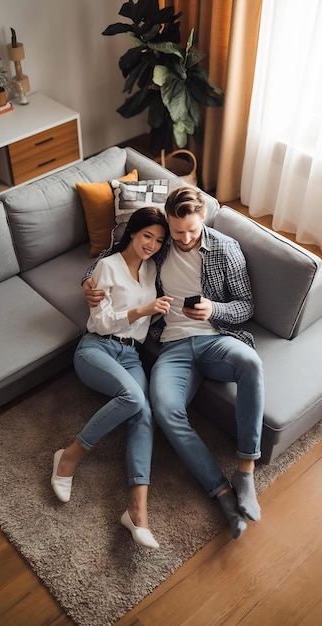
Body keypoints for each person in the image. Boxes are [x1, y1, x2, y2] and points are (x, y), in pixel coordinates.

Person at [82, 187, 264, 541]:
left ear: (203, 219)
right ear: (168, 220)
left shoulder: (226, 249)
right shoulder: (161, 242)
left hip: (216, 338)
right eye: (177, 230)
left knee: (251, 364)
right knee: (164, 410)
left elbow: (246, 306)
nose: (184, 238)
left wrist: (215, 309)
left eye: (192, 230)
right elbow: (112, 256)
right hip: (173, 346)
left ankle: (245, 470)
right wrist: (87, 282)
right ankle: (220, 492)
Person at [51, 206, 172, 549]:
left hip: (130, 354)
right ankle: (69, 456)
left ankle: (137, 512)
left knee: (144, 414)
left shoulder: (151, 271)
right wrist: (143, 310)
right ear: (132, 232)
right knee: (133, 398)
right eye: (147, 235)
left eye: (158, 240)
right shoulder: (107, 266)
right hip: (97, 348)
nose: (151, 244)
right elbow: (101, 322)